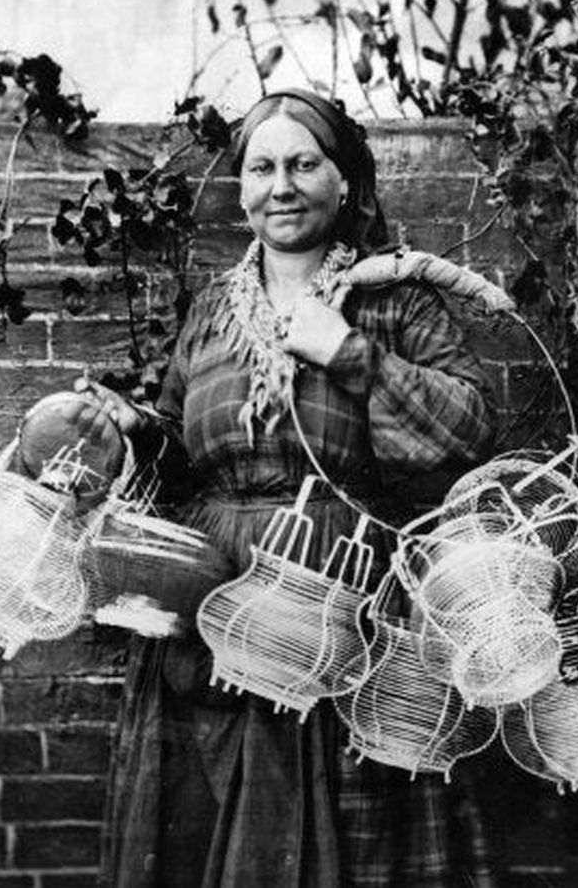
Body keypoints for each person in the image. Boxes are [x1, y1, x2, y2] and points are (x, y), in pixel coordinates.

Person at [84, 89, 498, 888]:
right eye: (263, 167)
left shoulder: (391, 298)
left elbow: (471, 425)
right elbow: (182, 459)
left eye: (305, 163)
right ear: (240, 189)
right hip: (210, 610)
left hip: (340, 603)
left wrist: (351, 354)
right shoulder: (209, 313)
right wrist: (136, 431)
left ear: (344, 182)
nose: (283, 185)